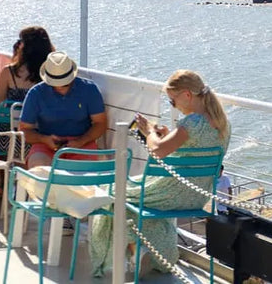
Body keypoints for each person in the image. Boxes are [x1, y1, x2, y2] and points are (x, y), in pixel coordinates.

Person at [90, 69, 230, 277]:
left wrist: (149, 133)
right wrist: (166, 135)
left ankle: (134, 249)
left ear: (187, 95)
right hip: (199, 195)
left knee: (112, 193)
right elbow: (194, 149)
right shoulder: (222, 123)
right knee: (132, 201)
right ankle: (156, 253)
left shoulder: (192, 122)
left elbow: (158, 151)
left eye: (173, 101)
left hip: (173, 192)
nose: (173, 106)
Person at [18, 50, 106, 168]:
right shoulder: (36, 93)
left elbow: (101, 123)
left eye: (65, 83)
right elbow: (24, 130)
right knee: (39, 168)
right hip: (46, 145)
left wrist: (81, 141)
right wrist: (44, 139)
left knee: (82, 175)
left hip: (83, 144)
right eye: (55, 83)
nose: (60, 87)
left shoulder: (89, 89)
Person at [0, 27, 54, 197]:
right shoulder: (49, 77)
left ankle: (0, 186)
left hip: (9, 140)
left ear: (23, 47)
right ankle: (25, 189)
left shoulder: (9, 72)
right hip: (40, 138)